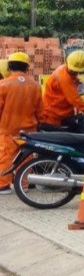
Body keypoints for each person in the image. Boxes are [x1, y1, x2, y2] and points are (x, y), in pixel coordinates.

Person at [0, 52, 40, 190]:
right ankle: (24, 184)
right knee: (26, 157)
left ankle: (3, 185)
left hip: (8, 128)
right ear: (26, 68)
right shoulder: (35, 85)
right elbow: (40, 110)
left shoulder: (3, 84)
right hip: (29, 129)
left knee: (6, 156)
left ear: (9, 67)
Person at [40, 50, 84, 131]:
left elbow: (75, 84)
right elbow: (75, 99)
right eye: (73, 70)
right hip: (54, 117)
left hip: (62, 114)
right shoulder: (64, 77)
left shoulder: (67, 71)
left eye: (76, 71)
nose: (74, 72)